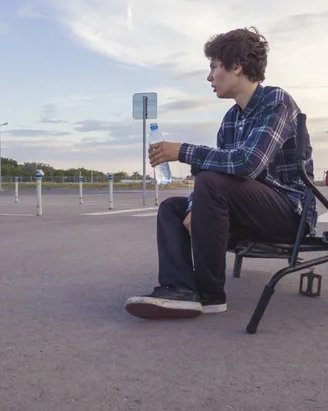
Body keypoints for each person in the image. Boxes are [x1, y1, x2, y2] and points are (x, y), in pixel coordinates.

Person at [124, 26, 317, 319]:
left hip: (289, 213)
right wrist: (193, 207)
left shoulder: (277, 102)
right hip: (247, 212)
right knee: (172, 208)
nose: (209, 76)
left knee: (211, 180)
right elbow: (218, 171)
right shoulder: (230, 119)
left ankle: (209, 293)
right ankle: (179, 289)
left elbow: (248, 164)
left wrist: (182, 151)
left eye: (214, 67)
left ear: (236, 66)